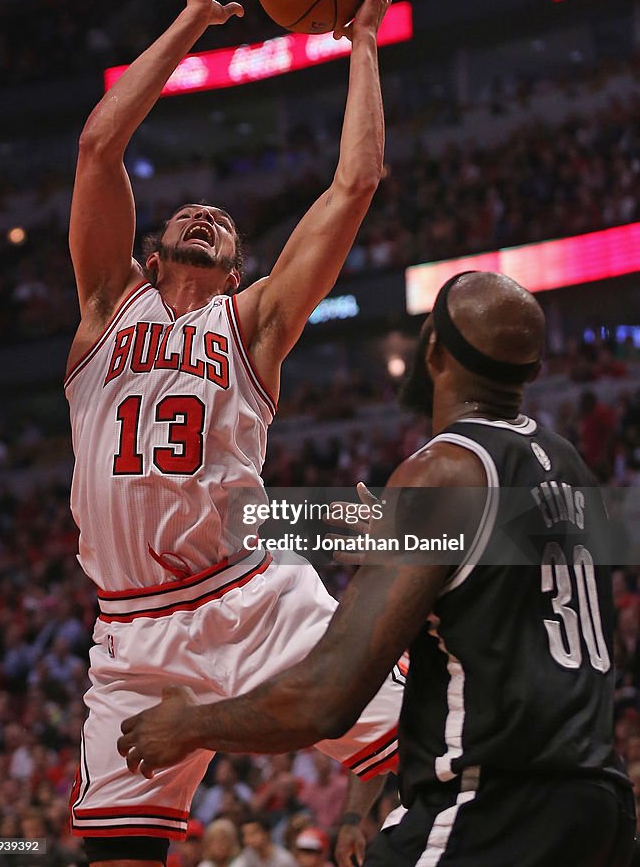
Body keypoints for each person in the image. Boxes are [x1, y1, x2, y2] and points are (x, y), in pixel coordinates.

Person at [66, 0, 403, 866]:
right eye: (186, 218)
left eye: (223, 227)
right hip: (132, 628)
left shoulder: (251, 325)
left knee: (427, 758)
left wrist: (363, 42)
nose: (206, 212)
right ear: (148, 255)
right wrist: (189, 23)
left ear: (238, 270)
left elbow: (354, 185)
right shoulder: (104, 311)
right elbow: (100, 144)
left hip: (253, 596)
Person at [118, 271, 637, 867]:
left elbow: (326, 698)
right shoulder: (572, 470)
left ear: (433, 351)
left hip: (495, 809)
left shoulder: (442, 472)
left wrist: (188, 726)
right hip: (602, 810)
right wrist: (410, 547)